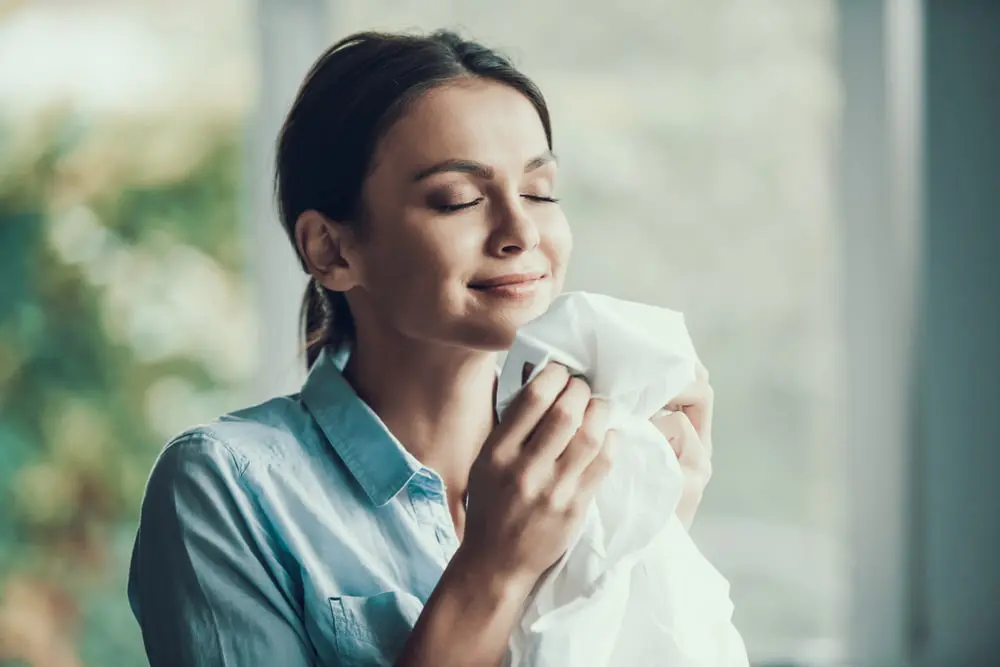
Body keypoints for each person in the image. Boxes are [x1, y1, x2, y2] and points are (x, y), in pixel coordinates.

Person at [127, 29, 715, 667]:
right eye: (457, 199)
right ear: (332, 248)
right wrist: (493, 570)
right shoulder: (226, 486)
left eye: (541, 192)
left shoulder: (592, 465)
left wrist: (651, 526)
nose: (521, 231)